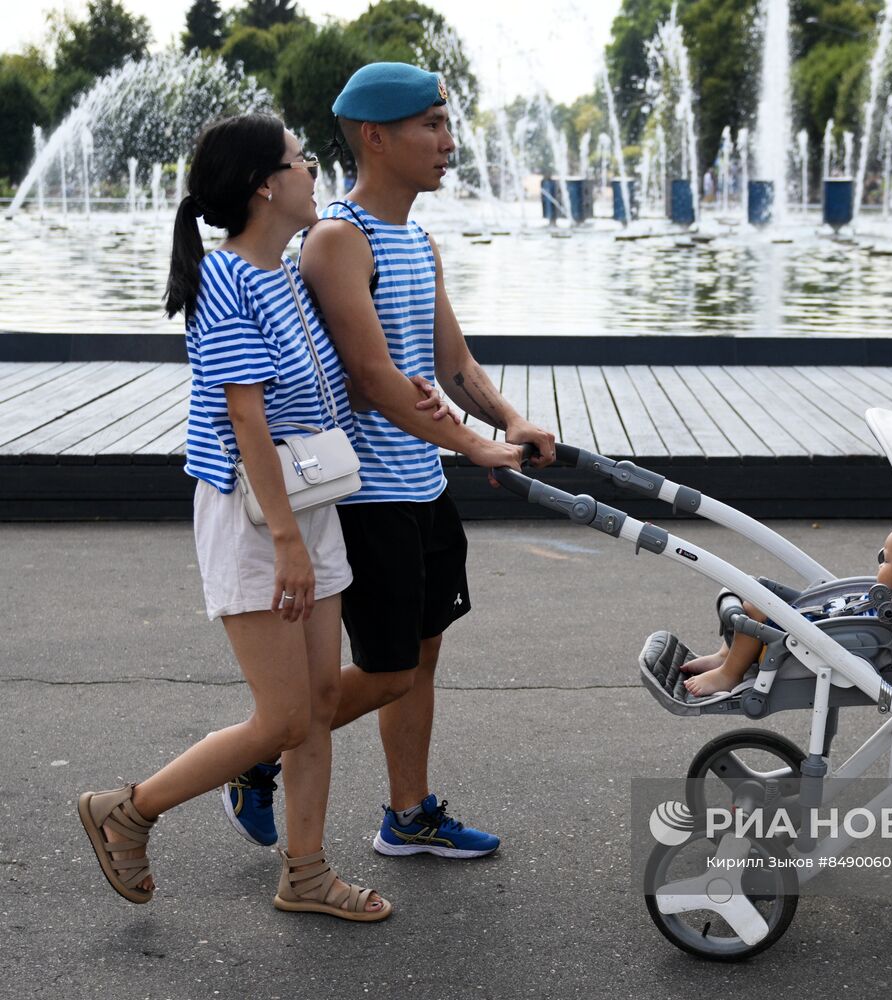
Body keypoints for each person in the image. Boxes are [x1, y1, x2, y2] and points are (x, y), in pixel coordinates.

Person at [221, 63, 555, 861]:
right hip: (366, 493)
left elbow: (451, 362)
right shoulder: (339, 240)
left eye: (446, 125)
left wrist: (509, 417)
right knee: (386, 670)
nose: (448, 143)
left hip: (422, 481)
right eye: (431, 126)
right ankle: (256, 752)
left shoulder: (415, 238)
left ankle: (408, 815)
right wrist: (477, 444)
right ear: (377, 137)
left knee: (421, 654)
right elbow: (372, 375)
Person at [79, 114, 390, 921]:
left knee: (319, 703)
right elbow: (245, 419)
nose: (314, 172)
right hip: (257, 517)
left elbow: (315, 391)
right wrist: (286, 541)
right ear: (265, 185)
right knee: (283, 716)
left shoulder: (285, 274)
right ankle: (129, 808)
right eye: (302, 161)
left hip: (306, 499)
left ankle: (308, 873)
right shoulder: (226, 281)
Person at [682, 519, 892, 697]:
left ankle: (729, 674)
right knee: (753, 589)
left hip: (793, 645)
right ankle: (726, 656)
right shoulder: (880, 599)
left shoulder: (883, 614)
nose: (878, 565)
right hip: (806, 627)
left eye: (885, 560)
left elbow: (851, 632)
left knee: (754, 609)